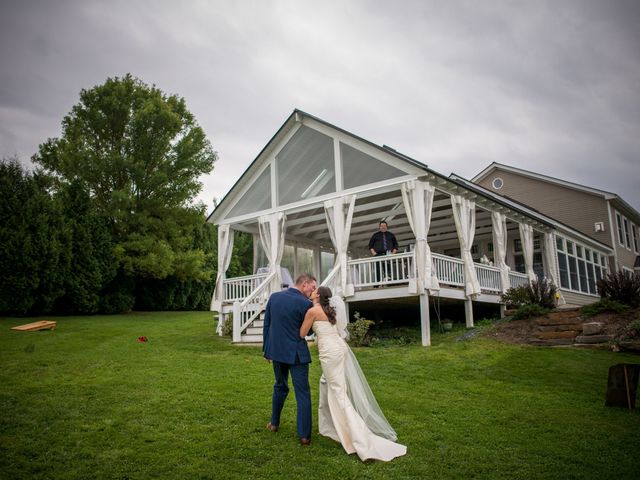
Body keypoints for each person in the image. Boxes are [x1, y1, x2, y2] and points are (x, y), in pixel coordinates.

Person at [299, 287, 407, 461]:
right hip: (340, 349)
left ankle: (359, 436)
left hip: (330, 353)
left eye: (314, 290)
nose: (311, 291)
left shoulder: (312, 311)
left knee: (339, 393)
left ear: (318, 295)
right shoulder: (330, 310)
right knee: (326, 383)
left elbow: (302, 333)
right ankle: (329, 427)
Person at [263, 273, 317, 445]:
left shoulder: (274, 297)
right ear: (304, 284)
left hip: (277, 352)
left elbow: (267, 324)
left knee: (280, 386)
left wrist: (266, 350)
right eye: (312, 287)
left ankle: (274, 424)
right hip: (296, 355)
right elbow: (308, 332)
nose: (313, 291)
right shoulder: (306, 304)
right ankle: (304, 436)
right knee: (302, 393)